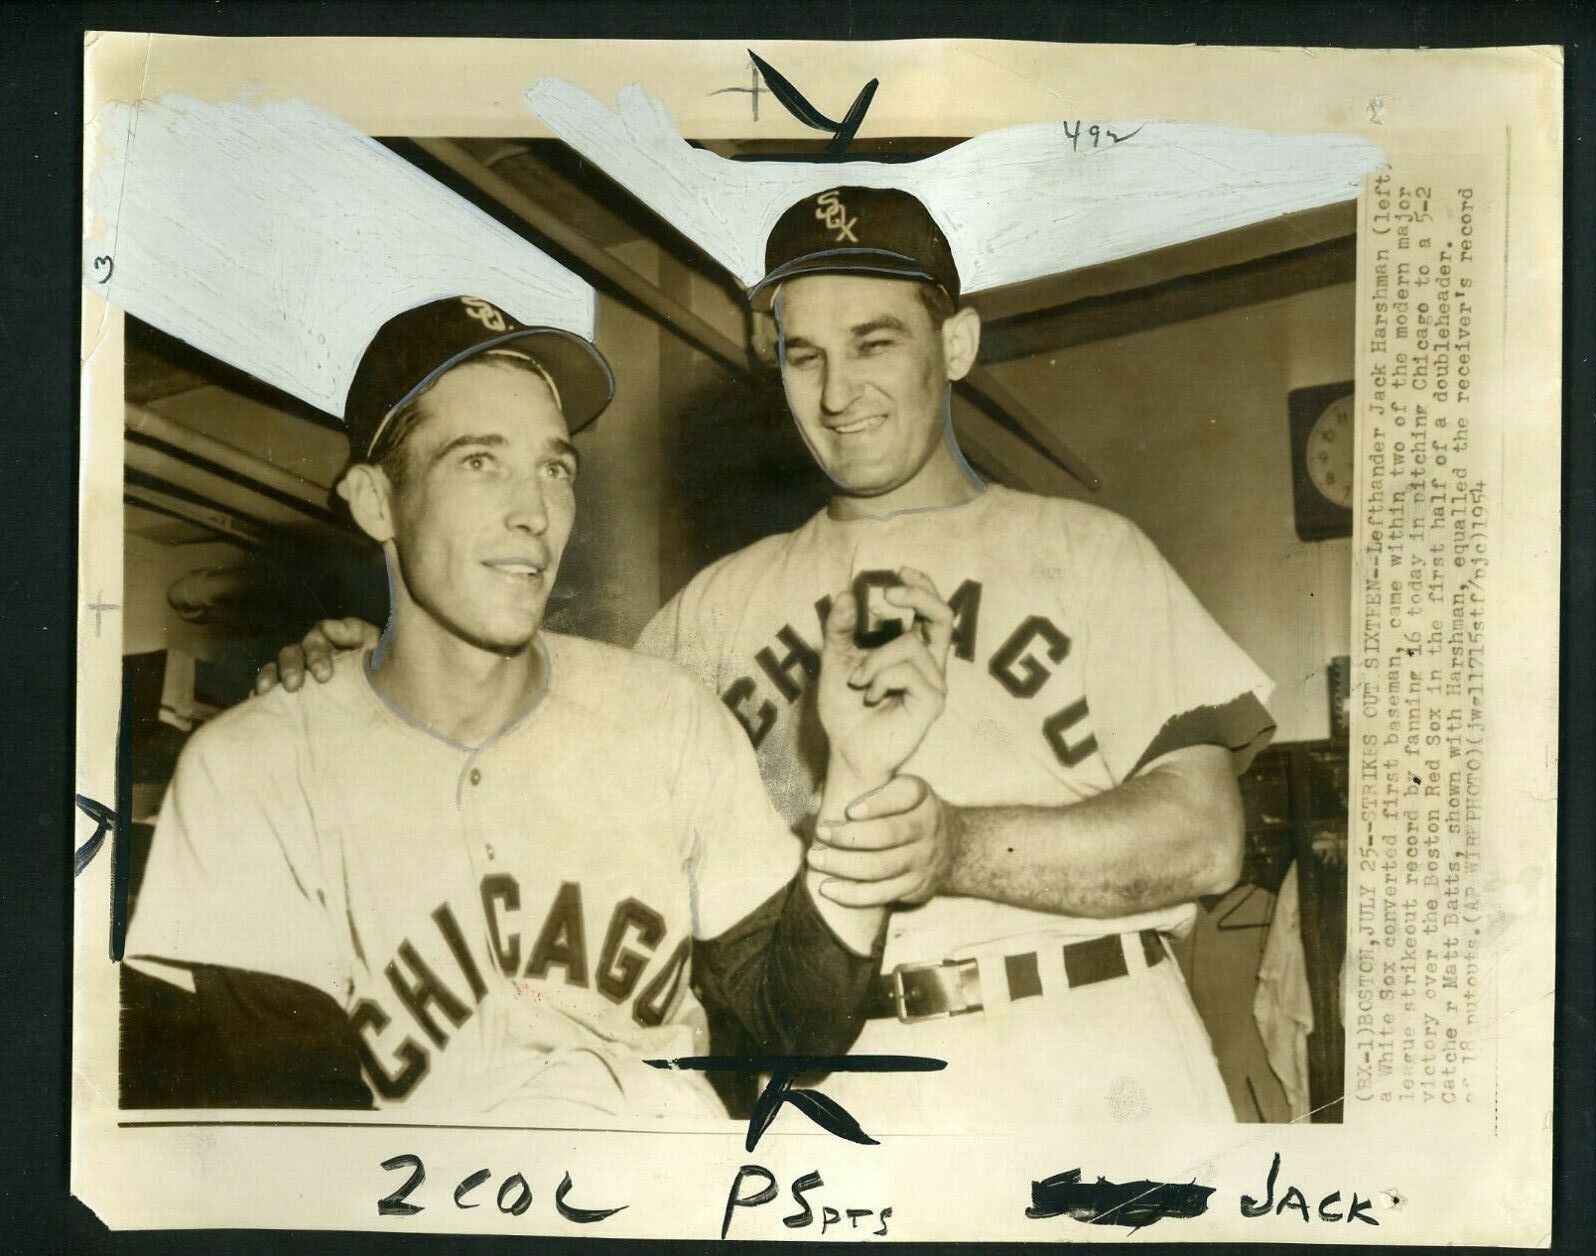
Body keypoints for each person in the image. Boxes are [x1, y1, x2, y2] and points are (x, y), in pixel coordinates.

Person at [266, 189, 1277, 1132]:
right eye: (803, 356)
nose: (838, 393)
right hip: (829, 1081)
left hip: (1084, 1045)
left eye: (874, 343)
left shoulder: (1093, 551)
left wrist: (949, 847)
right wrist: (398, 669)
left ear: (955, 343)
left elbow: (1201, 836)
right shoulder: (711, 607)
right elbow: (554, 765)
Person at [122, 295, 953, 1123]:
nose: (534, 513)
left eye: (555, 467)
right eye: (479, 461)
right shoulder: (250, 771)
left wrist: (855, 773)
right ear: (377, 503)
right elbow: (302, 1140)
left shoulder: (671, 719)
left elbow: (795, 1036)